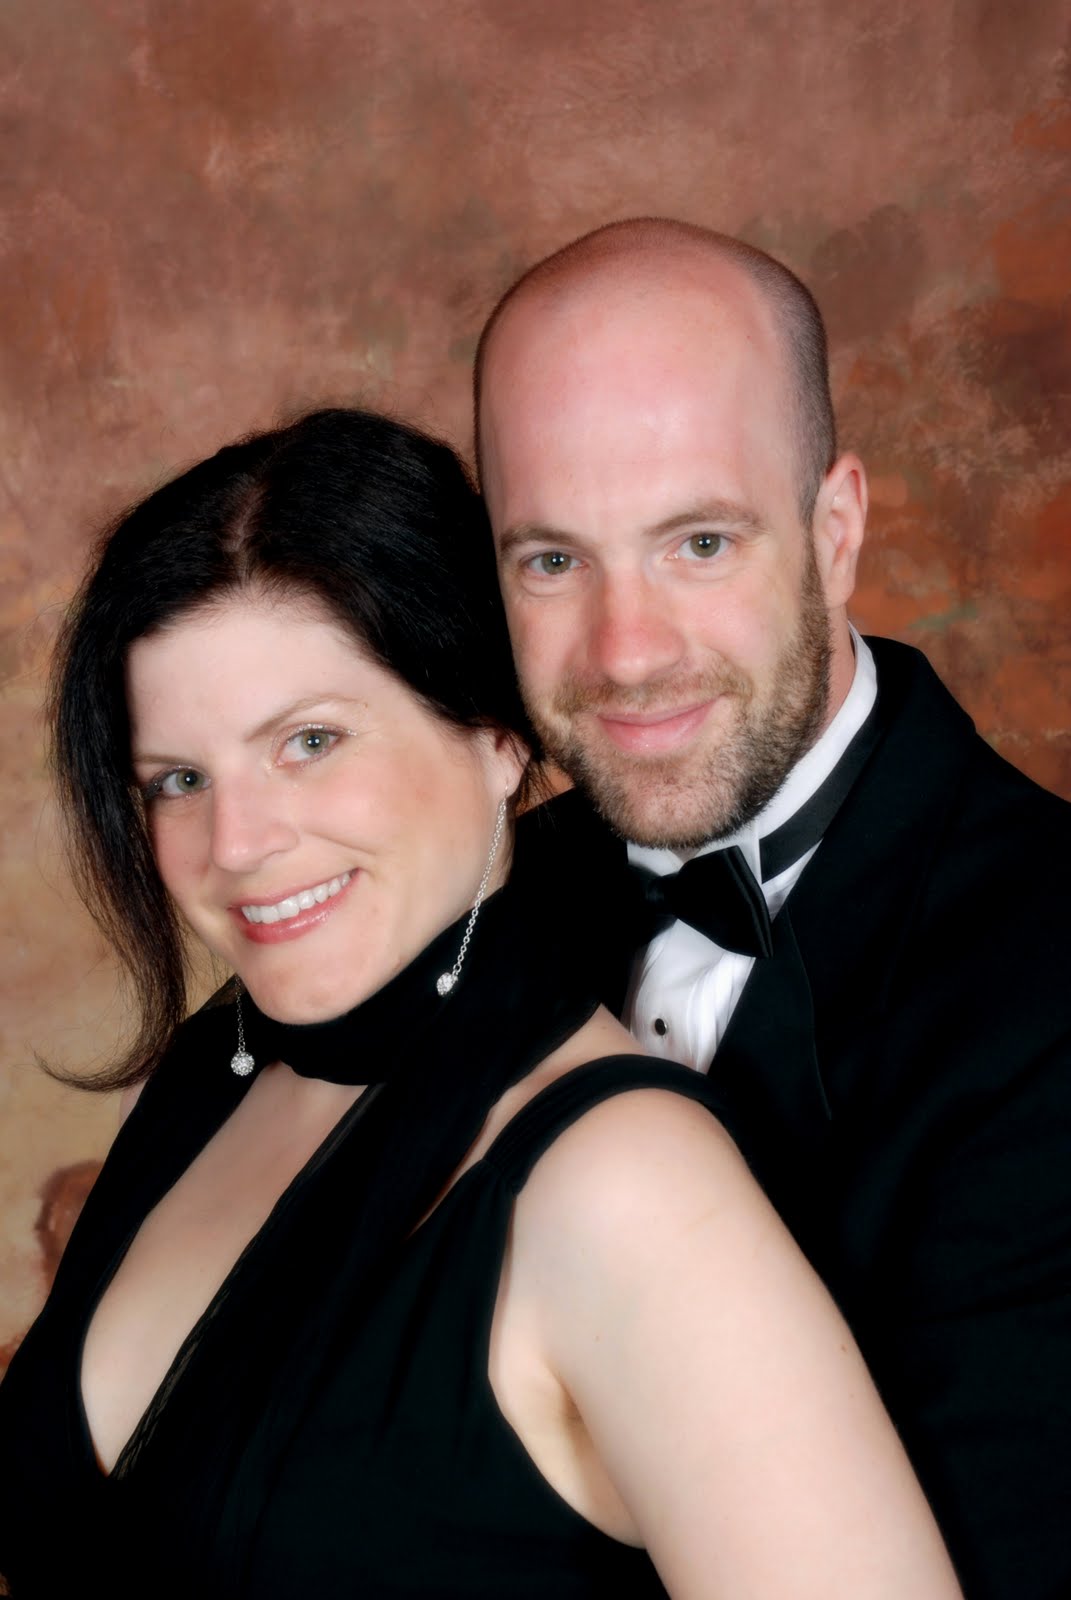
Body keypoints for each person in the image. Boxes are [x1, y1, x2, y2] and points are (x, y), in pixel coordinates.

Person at [0, 409, 960, 1599]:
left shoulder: (629, 1185)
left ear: (498, 735)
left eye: (310, 741)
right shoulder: (210, 1071)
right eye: (180, 779)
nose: (234, 843)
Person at [474, 217, 1071, 1600]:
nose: (625, 653)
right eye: (551, 560)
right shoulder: (463, 905)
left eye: (697, 542)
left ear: (834, 530)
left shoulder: (1050, 978)